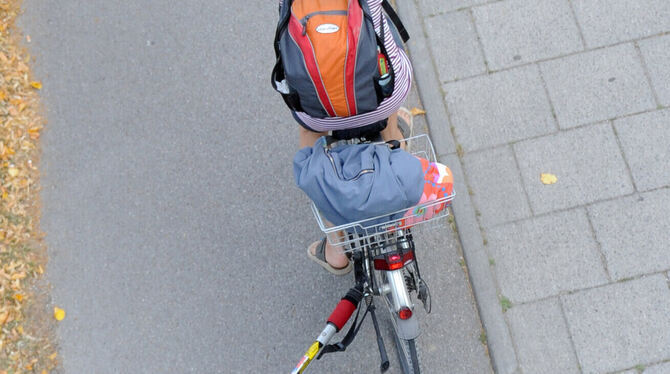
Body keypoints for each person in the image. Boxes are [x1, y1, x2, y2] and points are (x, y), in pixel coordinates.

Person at [279, 0, 414, 274]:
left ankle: (335, 247)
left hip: (319, 112)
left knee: (309, 132)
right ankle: (406, 209)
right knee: (388, 96)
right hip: (380, 100)